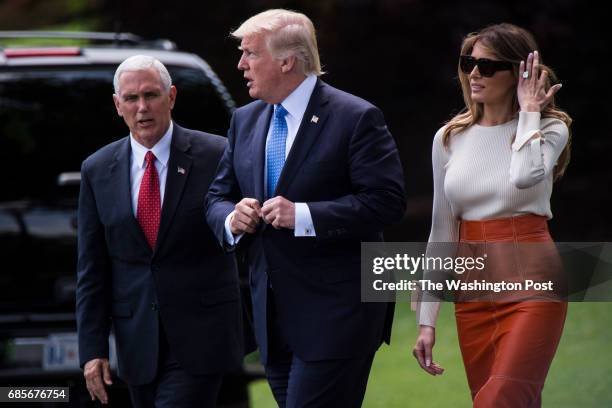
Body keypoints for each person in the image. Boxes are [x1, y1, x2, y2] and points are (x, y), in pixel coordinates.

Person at [205, 9, 406, 407]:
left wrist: (305, 216)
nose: (240, 64)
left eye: (250, 53)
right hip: (273, 322)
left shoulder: (355, 117)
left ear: (286, 61)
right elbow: (216, 197)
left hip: (338, 316)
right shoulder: (244, 121)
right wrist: (232, 217)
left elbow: (386, 203)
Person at [412, 23, 572, 407]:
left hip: (533, 279)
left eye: (487, 66)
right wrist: (427, 319)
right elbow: (441, 232)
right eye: (469, 63)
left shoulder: (551, 128)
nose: (474, 74)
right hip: (474, 287)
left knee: (501, 397)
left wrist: (530, 113)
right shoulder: (449, 138)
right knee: (496, 397)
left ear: (521, 73)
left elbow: (524, 176)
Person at [76, 55, 243, 407]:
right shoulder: (97, 169)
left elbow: (242, 233)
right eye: (131, 98)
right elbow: (92, 269)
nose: (142, 107)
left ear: (171, 97)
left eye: (151, 95)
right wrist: (92, 350)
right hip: (136, 341)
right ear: (117, 104)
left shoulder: (216, 154)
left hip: (200, 337)